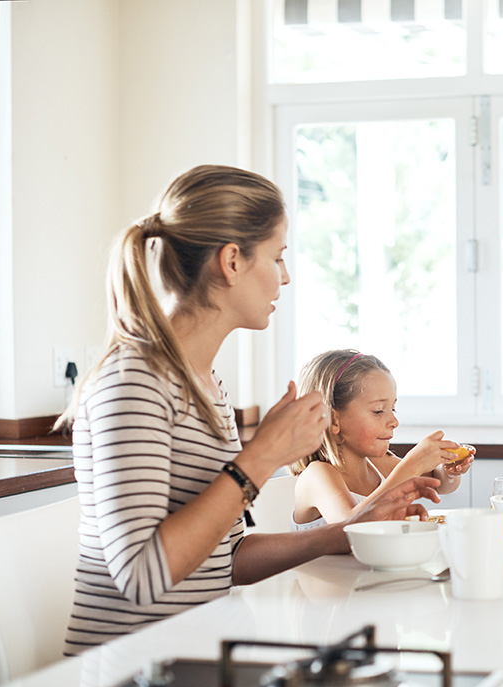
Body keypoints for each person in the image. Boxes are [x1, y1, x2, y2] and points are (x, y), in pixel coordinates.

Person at [57, 165, 440, 654]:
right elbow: (142, 574)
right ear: (232, 261)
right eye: (277, 257)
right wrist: (260, 457)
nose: (285, 276)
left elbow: (227, 557)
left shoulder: (206, 384)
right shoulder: (134, 380)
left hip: (196, 657)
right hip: (128, 677)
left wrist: (342, 534)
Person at [289, 350, 474, 528]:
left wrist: (449, 471)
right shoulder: (317, 475)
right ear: (333, 419)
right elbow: (348, 527)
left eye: (393, 409)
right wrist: (411, 466)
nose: (394, 421)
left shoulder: (378, 465)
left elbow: (439, 483)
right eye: (378, 411)